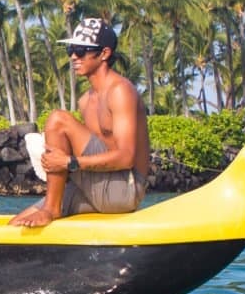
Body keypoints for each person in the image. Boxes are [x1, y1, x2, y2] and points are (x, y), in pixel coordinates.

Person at [9, 18, 151, 227]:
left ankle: (52, 209)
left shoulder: (121, 91)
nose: (74, 56)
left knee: (58, 119)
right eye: (71, 49)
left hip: (125, 189)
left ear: (104, 53)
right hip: (98, 185)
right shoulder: (86, 100)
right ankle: (51, 210)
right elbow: (93, 153)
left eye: (82, 50)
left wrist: (68, 163)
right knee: (16, 224)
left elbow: (126, 157)